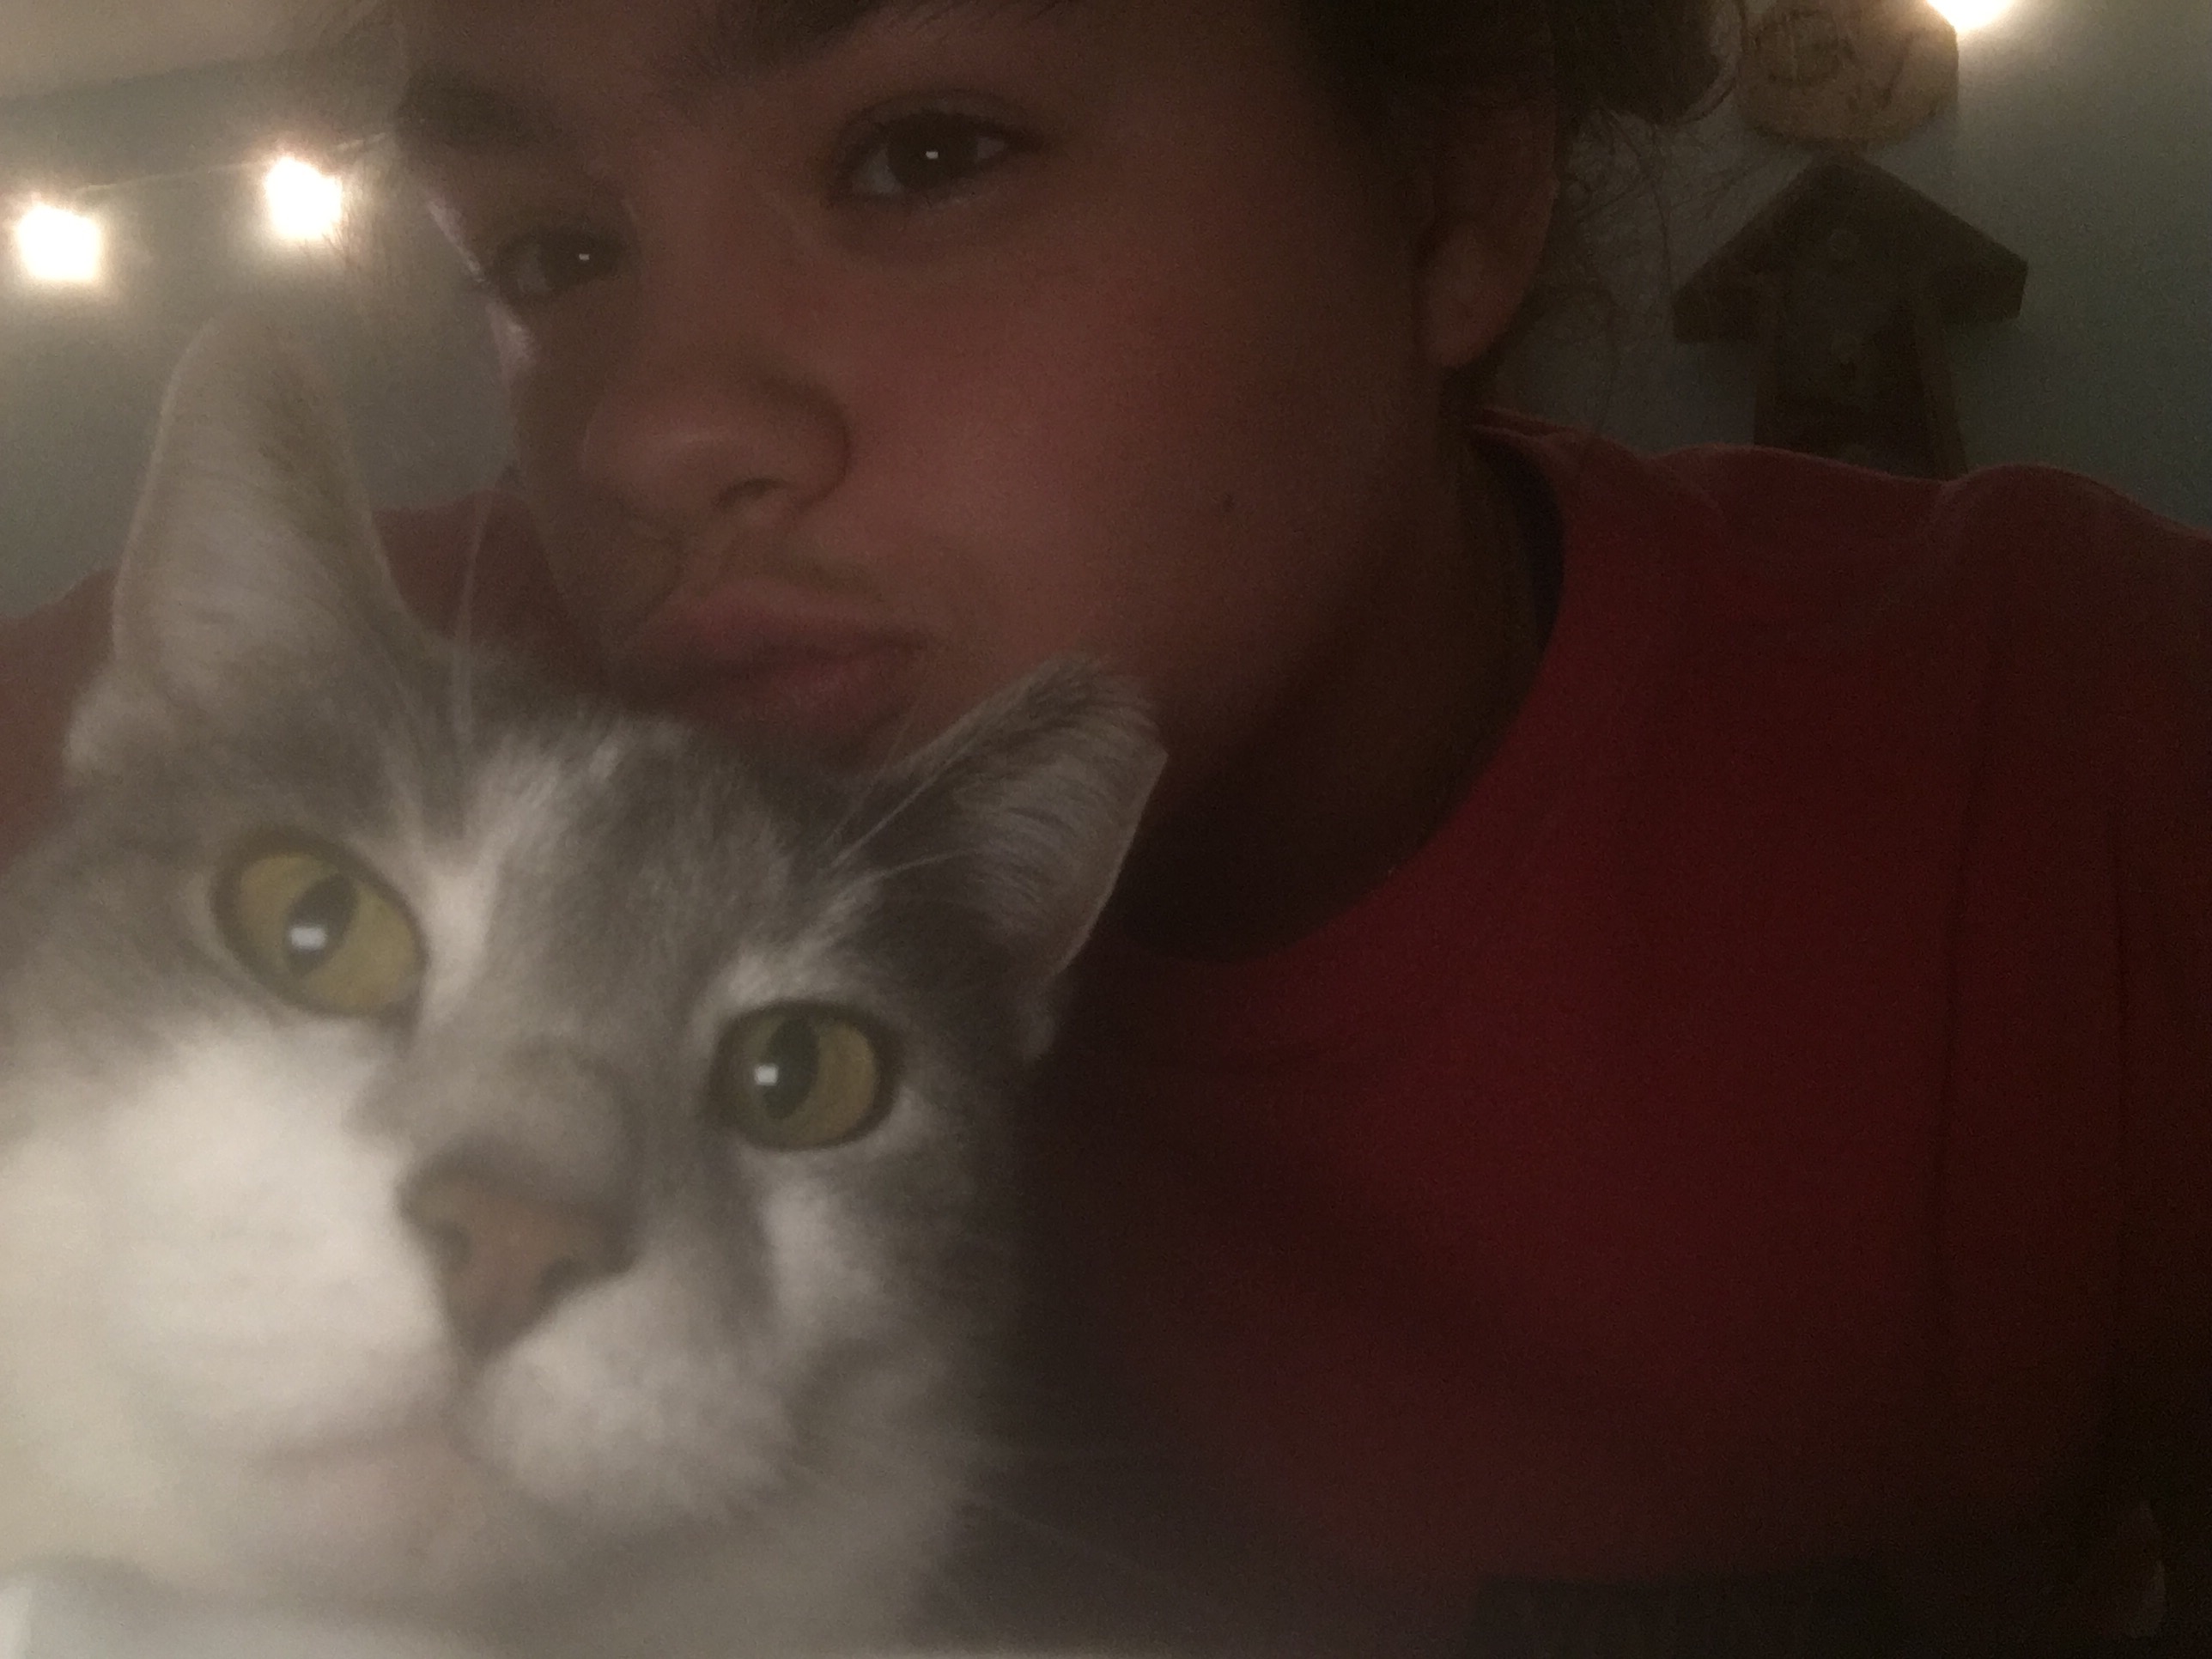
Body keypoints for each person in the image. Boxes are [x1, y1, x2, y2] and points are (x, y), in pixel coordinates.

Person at [3, 1, 2208, 1650]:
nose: (655, 430)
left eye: (919, 152)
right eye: (556, 252)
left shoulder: (2081, 750)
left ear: (1455, 182)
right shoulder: (350, 713)